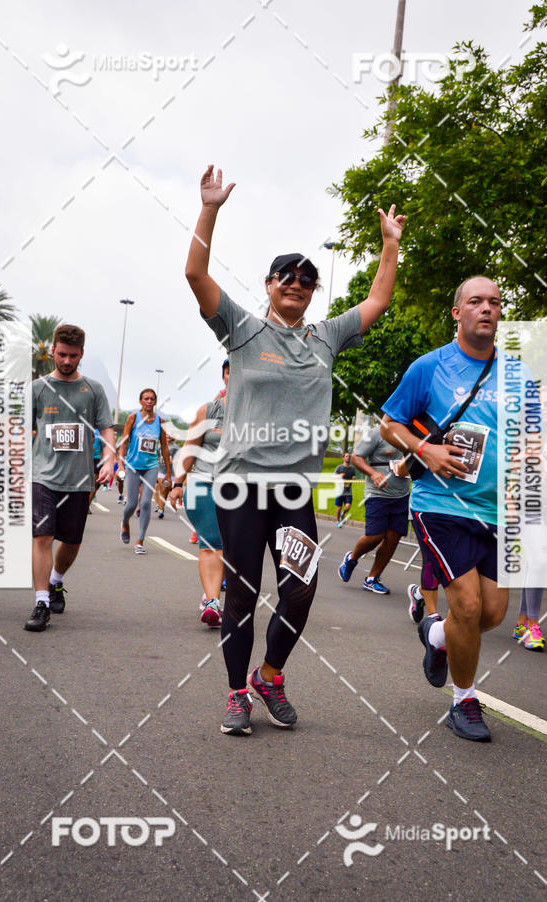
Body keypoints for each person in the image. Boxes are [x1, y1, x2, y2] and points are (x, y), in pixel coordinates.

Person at [185, 164, 405, 735]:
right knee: (242, 594)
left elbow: (378, 299)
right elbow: (194, 273)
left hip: (293, 491)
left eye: (307, 280)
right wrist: (209, 209)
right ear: (269, 284)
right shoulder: (241, 330)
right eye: (286, 276)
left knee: (301, 591)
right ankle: (237, 694)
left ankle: (269, 676)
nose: (297, 284)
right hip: (240, 487)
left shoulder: (326, 337)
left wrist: (390, 244)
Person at [381, 276, 506, 742]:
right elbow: (389, 425)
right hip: (441, 503)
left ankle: (436, 636)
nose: (486, 309)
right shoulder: (430, 366)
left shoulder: (516, 373)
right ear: (457, 312)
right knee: (468, 605)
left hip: (497, 510)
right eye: (476, 301)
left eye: (494, 302)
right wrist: (425, 450)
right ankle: (464, 701)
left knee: (492, 613)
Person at [24, 324, 114, 631]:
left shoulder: (93, 389)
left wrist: (110, 459)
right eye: (61, 354)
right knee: (42, 537)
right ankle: (41, 603)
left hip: (78, 480)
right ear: (52, 350)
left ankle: (56, 580)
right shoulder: (37, 388)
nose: (66, 361)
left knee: (71, 541)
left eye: (73, 356)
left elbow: (106, 429)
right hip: (42, 476)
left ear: (82, 354)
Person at [169, 376, 227, 627]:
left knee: (229, 547)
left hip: (240, 489)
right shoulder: (208, 411)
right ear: (225, 376)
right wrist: (178, 484)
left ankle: (210, 592)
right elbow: (189, 448)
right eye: (230, 372)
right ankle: (213, 602)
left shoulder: (257, 412)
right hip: (204, 483)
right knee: (211, 543)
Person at [512, 386, 547, 651]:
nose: (545, 409)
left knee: (537, 566)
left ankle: (521, 621)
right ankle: (533, 625)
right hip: (532, 508)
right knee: (539, 564)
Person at [338, 424, 411, 593]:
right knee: (375, 536)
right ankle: (352, 558)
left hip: (402, 494)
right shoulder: (377, 432)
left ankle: (372, 579)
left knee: (393, 537)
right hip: (378, 494)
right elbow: (356, 457)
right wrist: (373, 473)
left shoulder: (414, 434)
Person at [118, 389, 171, 553]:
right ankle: (125, 522)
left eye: (152, 399)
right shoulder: (133, 418)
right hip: (133, 466)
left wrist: (168, 472)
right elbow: (124, 442)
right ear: (140, 401)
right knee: (131, 504)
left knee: (146, 502)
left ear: (155, 402)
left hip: (151, 467)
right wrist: (120, 464)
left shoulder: (160, 422)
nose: (149, 401)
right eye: (146, 398)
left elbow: (164, 447)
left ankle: (140, 541)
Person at [334, 452, 356, 526]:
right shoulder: (339, 467)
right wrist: (339, 475)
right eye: (346, 456)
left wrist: (354, 478)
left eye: (349, 456)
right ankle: (338, 521)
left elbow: (353, 477)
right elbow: (333, 477)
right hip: (340, 491)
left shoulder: (352, 468)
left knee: (348, 507)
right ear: (343, 458)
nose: (348, 458)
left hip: (348, 491)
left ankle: (343, 513)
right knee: (339, 507)